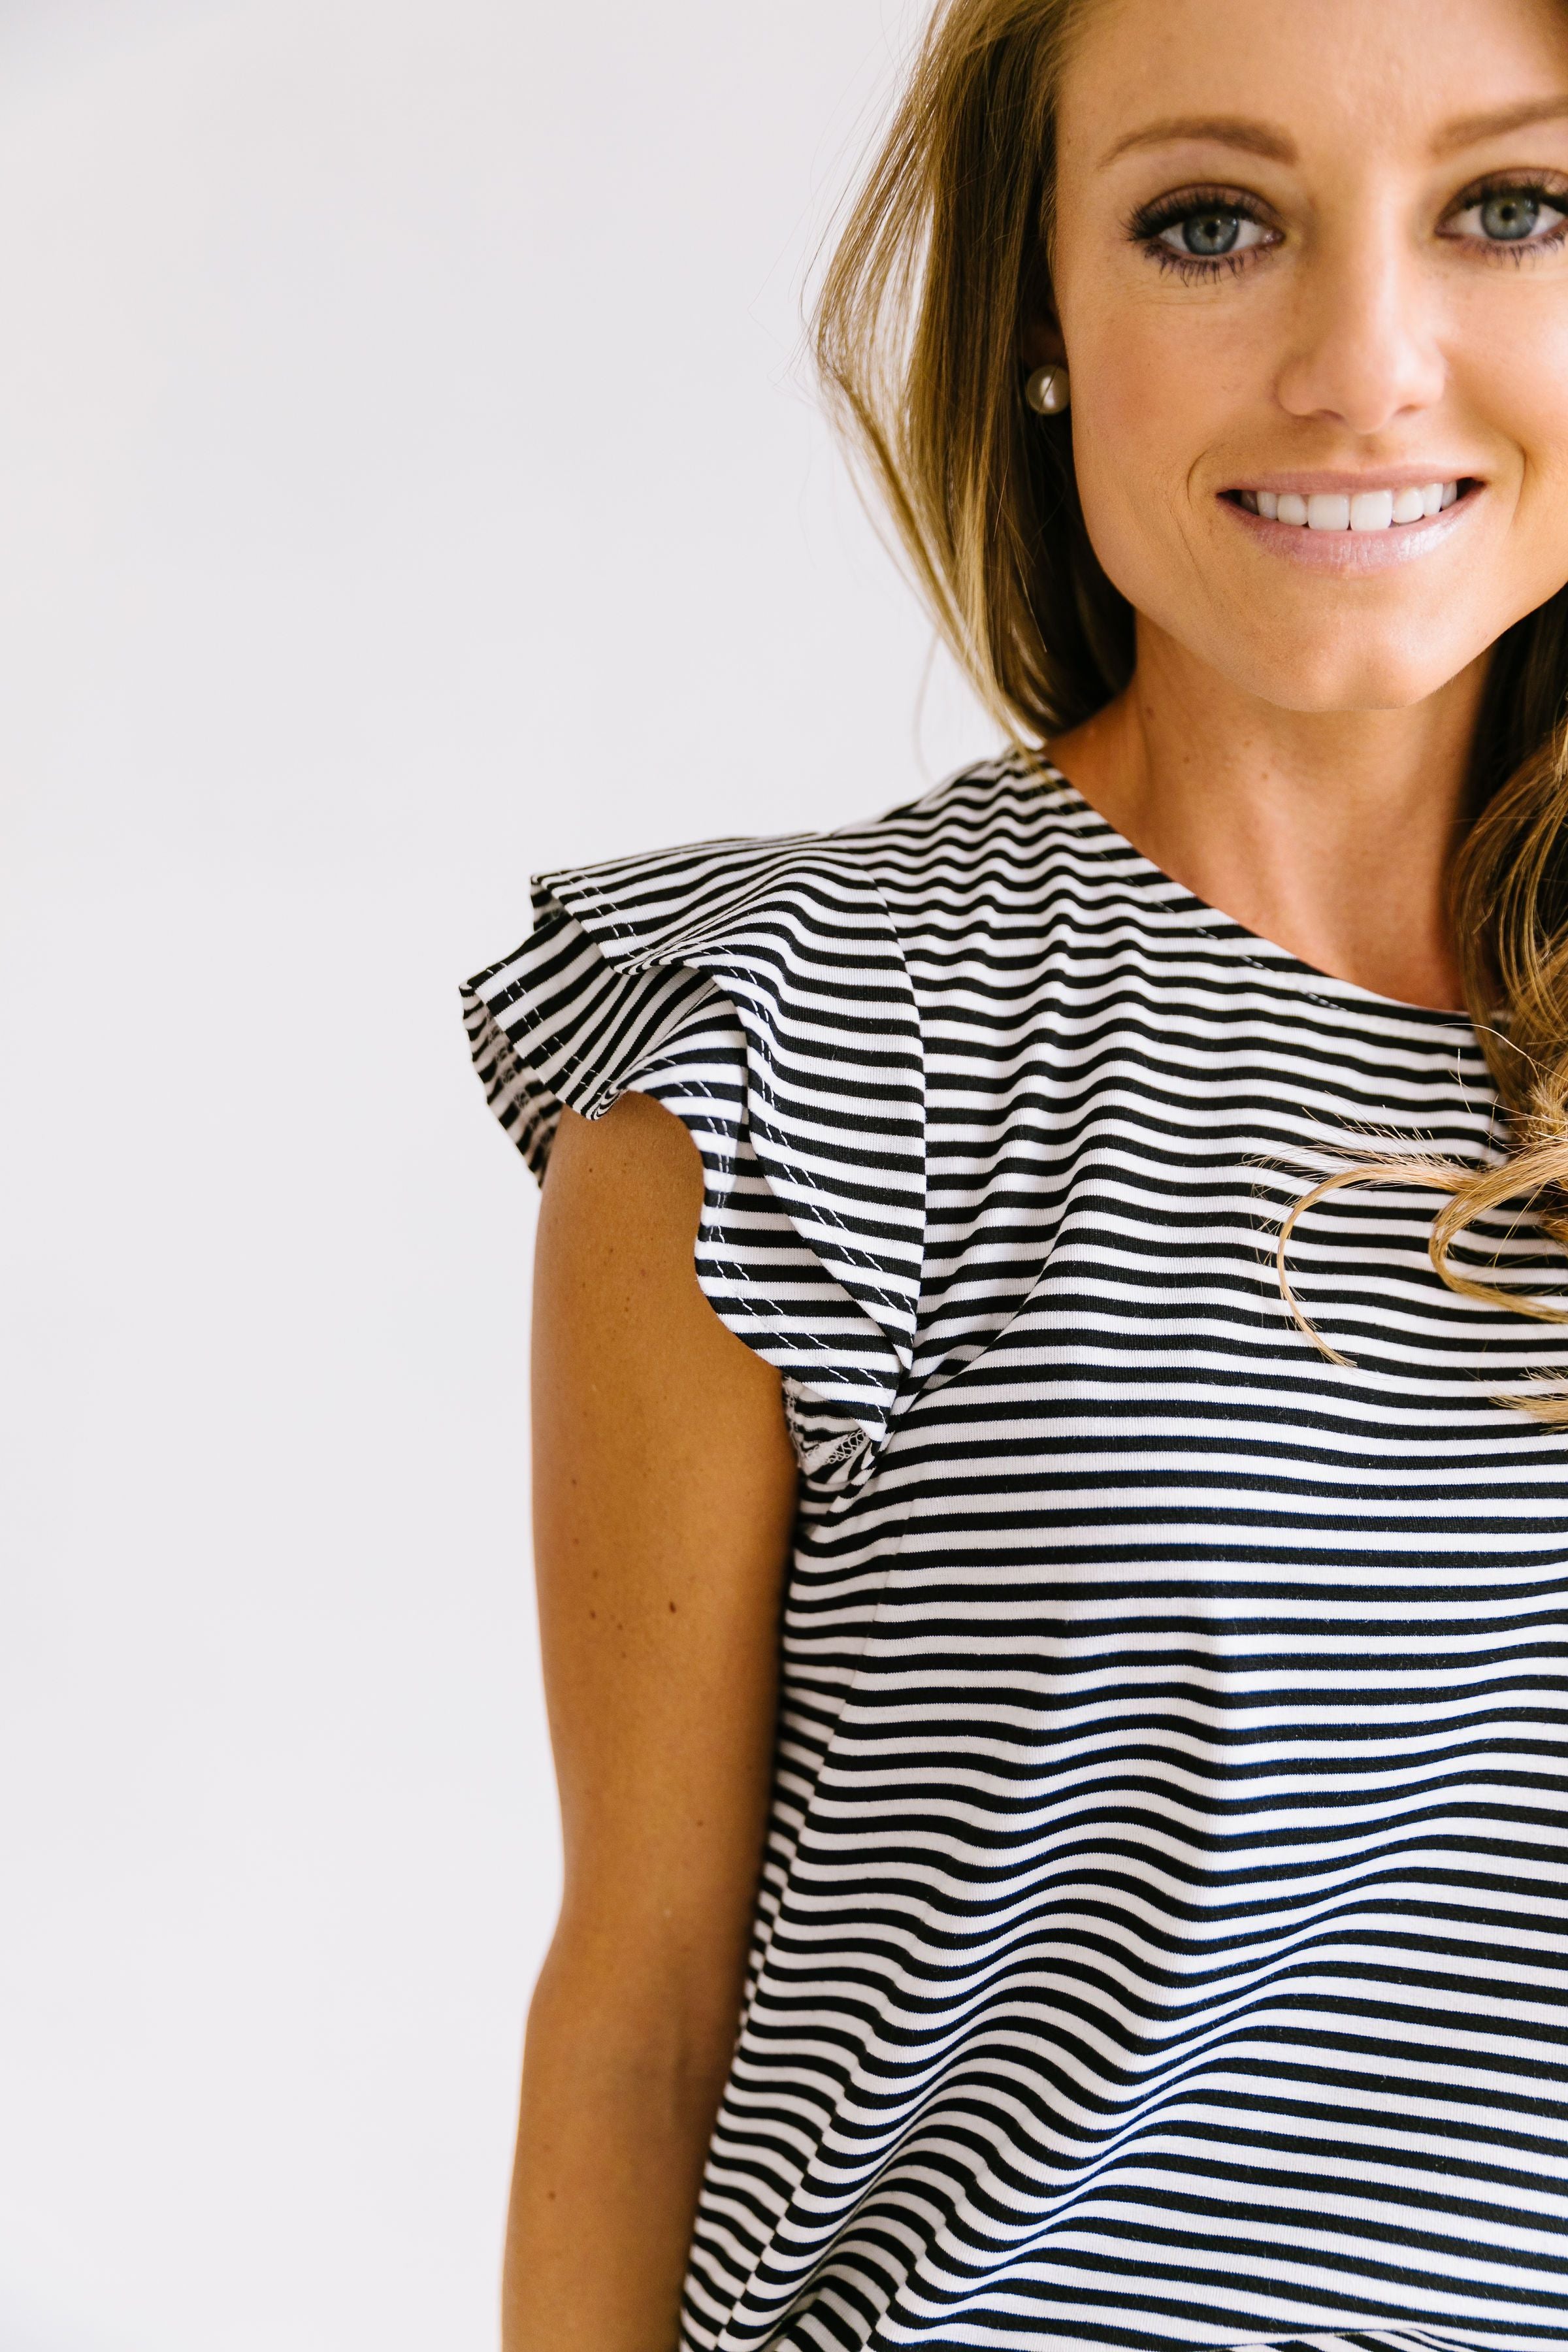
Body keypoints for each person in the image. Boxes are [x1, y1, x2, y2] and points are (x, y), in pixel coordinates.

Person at [462, 0, 1568, 2342]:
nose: (1366, 363)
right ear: (1039, 317)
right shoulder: (791, 1043)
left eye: (1513, 205)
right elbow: (639, 2022)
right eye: (1210, 222)